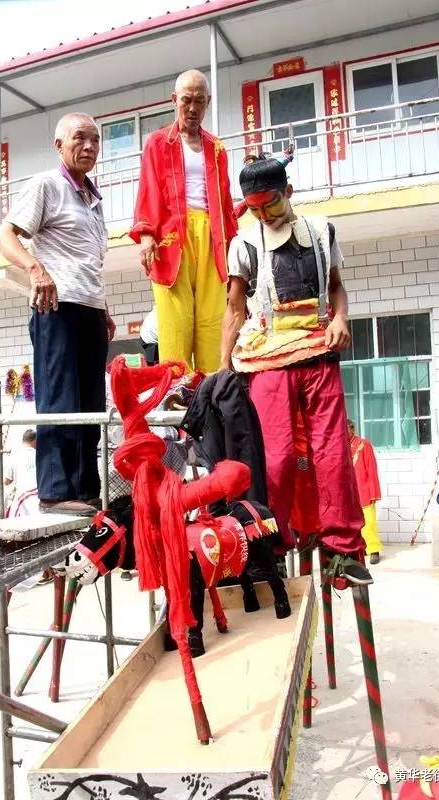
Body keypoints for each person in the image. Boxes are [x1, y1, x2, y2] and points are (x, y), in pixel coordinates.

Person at [221, 153, 371, 583]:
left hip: (319, 353)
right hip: (267, 361)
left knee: (333, 454)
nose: (264, 215)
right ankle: (271, 545)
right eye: (254, 208)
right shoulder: (244, 243)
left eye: (270, 203)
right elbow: (234, 310)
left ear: (288, 191)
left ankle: (342, 551)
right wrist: (222, 371)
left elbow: (337, 289)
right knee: (276, 459)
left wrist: (340, 319)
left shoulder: (322, 231)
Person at [0, 113, 115, 516]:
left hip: (90, 308)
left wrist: (104, 308)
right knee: (60, 398)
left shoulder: (94, 200)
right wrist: (35, 269)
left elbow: (88, 260)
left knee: (91, 402)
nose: (89, 146)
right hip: (57, 307)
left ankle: (85, 490)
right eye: (80, 138)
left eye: (95, 140)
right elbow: (4, 236)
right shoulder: (46, 184)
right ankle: (55, 491)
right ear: (59, 145)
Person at [129, 69, 237, 373]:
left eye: (199, 101)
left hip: (212, 237)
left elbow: (225, 201)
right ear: (174, 100)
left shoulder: (217, 148)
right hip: (172, 238)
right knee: (176, 323)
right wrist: (147, 235)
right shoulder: (157, 142)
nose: (192, 108)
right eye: (186, 100)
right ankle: (178, 392)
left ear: (208, 102)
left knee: (211, 321)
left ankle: (211, 388)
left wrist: (234, 245)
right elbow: (148, 188)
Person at [348, 420, 383, 564]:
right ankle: (361, 548)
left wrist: (373, 492)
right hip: (349, 492)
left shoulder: (364, 444)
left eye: (346, 429)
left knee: (369, 522)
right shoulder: (340, 446)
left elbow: (371, 469)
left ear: (352, 429)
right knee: (353, 523)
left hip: (364, 490)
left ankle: (374, 549)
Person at [4, 429, 38, 517]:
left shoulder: (14, 456)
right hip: (37, 497)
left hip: (21, 499)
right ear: (35, 440)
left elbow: (6, 481)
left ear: (23, 440)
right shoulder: (39, 455)